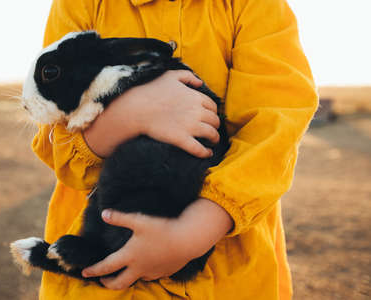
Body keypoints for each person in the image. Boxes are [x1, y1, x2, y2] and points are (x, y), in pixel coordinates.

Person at [31, 0, 318, 299]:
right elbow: (53, 128)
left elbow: (275, 122)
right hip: (99, 254)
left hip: (228, 275)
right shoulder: (79, 5)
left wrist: (193, 232)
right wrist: (131, 115)